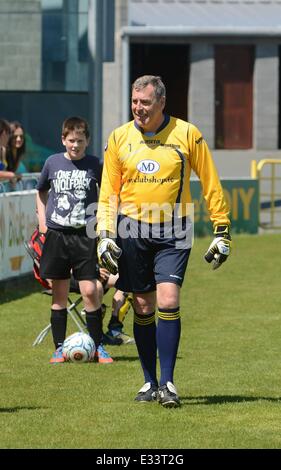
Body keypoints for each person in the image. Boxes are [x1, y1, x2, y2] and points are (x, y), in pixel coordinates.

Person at [96, 75, 231, 408]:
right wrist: (104, 235)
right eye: (134, 102)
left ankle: (169, 383)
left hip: (174, 227)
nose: (138, 108)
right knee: (142, 305)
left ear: (161, 103)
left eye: (145, 102)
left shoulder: (188, 134)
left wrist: (222, 228)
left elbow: (210, 181)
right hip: (131, 229)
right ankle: (149, 382)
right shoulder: (118, 138)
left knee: (168, 300)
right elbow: (107, 192)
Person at [36, 115, 113, 364]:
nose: (75, 145)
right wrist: (42, 222)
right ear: (63, 139)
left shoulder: (95, 164)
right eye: (71, 140)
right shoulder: (52, 162)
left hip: (84, 235)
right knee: (59, 294)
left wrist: (104, 223)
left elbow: (109, 192)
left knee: (90, 290)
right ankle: (59, 348)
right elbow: (41, 191)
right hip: (57, 235)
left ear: (87, 140)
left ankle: (98, 347)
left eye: (80, 140)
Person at [0, 118, 21, 185]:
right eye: (7, 133)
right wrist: (11, 175)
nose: (8, 136)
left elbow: (2, 171)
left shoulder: (2, 150)